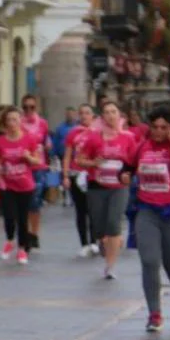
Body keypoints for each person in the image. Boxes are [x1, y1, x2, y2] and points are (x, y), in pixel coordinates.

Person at [129, 103, 170, 332]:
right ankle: (154, 314)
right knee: (149, 261)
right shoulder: (142, 147)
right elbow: (128, 166)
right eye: (154, 127)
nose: (158, 132)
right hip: (147, 210)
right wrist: (124, 175)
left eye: (163, 127)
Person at [76, 100, 136, 280]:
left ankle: (110, 266)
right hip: (97, 186)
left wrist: (129, 174)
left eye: (114, 111)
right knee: (99, 226)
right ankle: (103, 240)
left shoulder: (128, 137)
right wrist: (93, 163)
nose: (111, 115)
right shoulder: (93, 137)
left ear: (120, 116)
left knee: (114, 222)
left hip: (119, 187)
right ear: (102, 117)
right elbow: (79, 160)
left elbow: (134, 161)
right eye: (107, 112)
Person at [0, 106, 45, 265]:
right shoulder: (0, 141)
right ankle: (10, 240)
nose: (12, 122)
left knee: (23, 219)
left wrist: (29, 158)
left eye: (15, 119)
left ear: (20, 121)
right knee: (9, 216)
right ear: (5, 122)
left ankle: (22, 249)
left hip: (25, 185)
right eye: (9, 120)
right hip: (7, 184)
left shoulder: (29, 139)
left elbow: (39, 161)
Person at [62, 104, 97, 256]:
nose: (84, 116)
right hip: (76, 174)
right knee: (80, 210)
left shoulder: (98, 132)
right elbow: (68, 155)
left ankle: (94, 241)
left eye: (87, 113)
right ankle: (84, 243)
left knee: (94, 210)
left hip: (93, 174)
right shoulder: (73, 133)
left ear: (93, 116)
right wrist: (65, 175)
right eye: (81, 113)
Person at [20, 94, 50, 248]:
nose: (28, 110)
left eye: (32, 107)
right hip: (23, 167)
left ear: (36, 107)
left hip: (39, 167)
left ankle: (34, 233)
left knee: (35, 201)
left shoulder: (42, 123)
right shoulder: (18, 123)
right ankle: (25, 233)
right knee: (24, 202)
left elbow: (46, 142)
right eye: (25, 107)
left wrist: (47, 149)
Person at [52, 106, 79, 205]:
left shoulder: (78, 127)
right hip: (63, 155)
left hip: (75, 156)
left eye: (71, 114)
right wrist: (53, 154)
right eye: (68, 114)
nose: (70, 116)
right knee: (63, 175)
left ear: (75, 114)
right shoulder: (60, 128)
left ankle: (74, 195)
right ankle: (64, 196)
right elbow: (55, 141)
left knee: (74, 176)